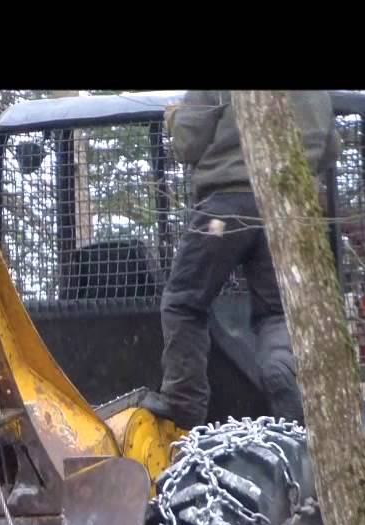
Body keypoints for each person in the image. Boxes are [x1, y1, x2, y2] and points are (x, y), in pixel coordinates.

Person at [142, 91, 341, 429]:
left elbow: (188, 142)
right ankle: (282, 371)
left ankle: (183, 402)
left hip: (225, 211)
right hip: (288, 210)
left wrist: (174, 116)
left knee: (184, 301)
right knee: (278, 313)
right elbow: (330, 146)